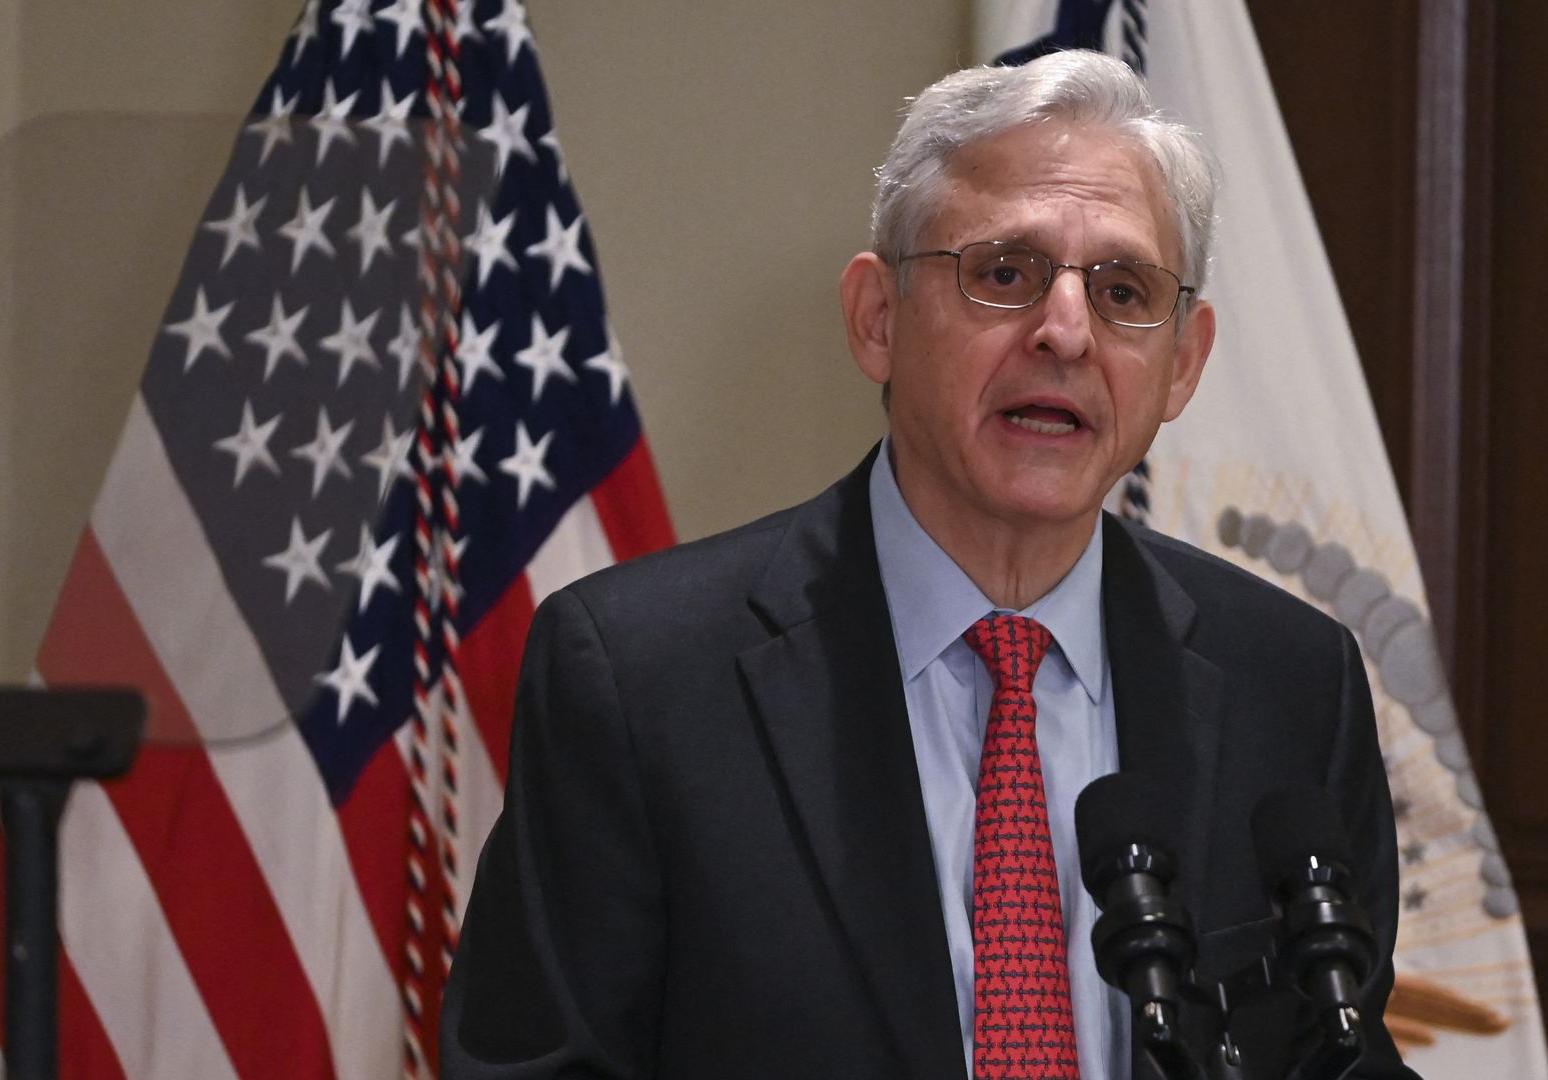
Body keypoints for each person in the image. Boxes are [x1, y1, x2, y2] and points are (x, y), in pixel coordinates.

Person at [442, 49, 1414, 1079]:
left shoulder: (1293, 686)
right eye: (1005, 273)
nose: (1067, 333)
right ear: (877, 319)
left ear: (1182, 363)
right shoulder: (642, 682)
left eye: (1125, 290)